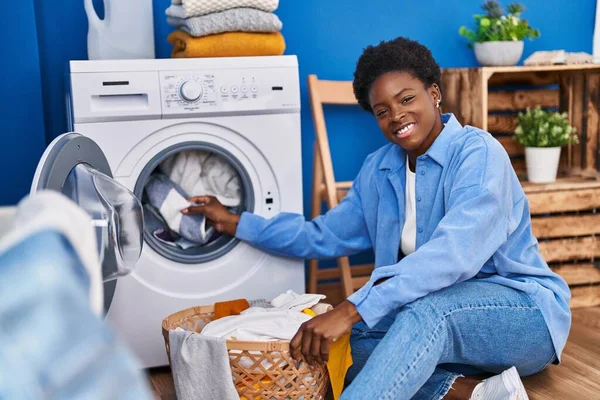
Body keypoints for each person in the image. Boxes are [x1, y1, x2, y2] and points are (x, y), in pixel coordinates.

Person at [182, 37, 571, 399]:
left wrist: (350, 309)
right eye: (383, 111)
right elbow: (322, 236)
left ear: (434, 94)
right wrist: (235, 222)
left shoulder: (478, 154)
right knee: (336, 346)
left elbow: (454, 254)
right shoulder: (380, 170)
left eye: (406, 99)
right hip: (440, 324)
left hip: (523, 317)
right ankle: (469, 391)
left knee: (422, 313)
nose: (397, 116)